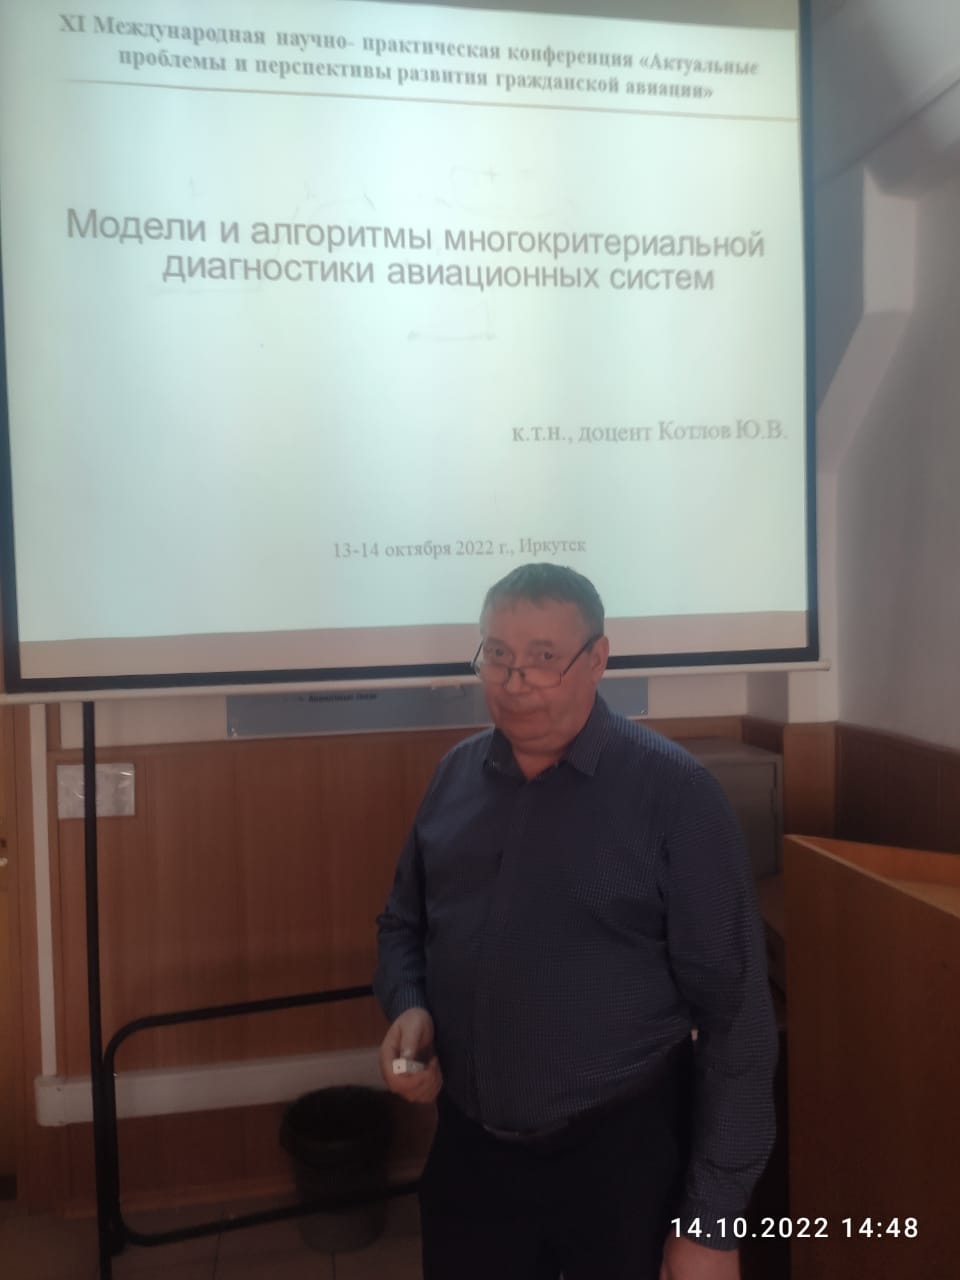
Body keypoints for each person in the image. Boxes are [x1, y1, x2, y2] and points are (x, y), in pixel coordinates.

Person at [375, 563, 778, 1280]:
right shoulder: (454, 778)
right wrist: (409, 1007)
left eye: (543, 657)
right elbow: (403, 924)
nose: (515, 681)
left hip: (622, 1157)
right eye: (498, 655)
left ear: (598, 659)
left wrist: (713, 1222)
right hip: (471, 1154)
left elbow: (737, 1018)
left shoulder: (676, 796)